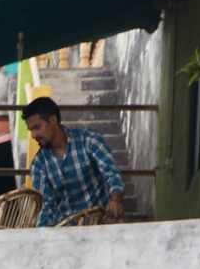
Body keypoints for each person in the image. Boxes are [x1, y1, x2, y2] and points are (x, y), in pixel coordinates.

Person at [21, 96, 125, 227]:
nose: (33, 135)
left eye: (37, 127)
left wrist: (115, 201)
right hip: (66, 228)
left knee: (116, 222)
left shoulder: (88, 141)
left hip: (100, 220)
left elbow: (112, 174)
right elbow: (44, 205)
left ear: (53, 120)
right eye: (31, 130)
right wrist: (43, 233)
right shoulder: (38, 164)